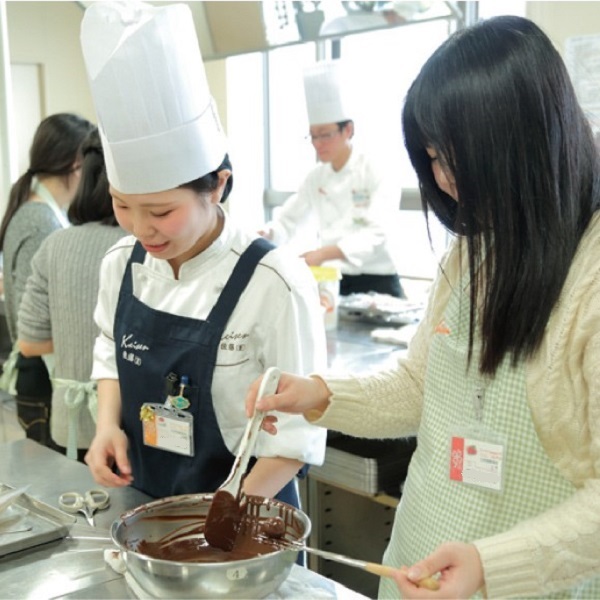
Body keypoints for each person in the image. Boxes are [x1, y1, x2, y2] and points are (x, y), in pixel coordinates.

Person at [246, 15, 600, 599]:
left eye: (459, 159)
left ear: (529, 140)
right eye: (434, 158)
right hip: (416, 564)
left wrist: (491, 565)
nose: (446, 182)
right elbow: (420, 386)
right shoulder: (473, 248)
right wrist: (321, 396)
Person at [80, 1, 326, 508]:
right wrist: (106, 425)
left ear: (217, 186)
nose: (140, 227)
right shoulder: (121, 264)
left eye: (161, 211)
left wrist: (224, 515)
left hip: (249, 508)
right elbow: (109, 347)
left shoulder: (274, 281)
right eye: (122, 206)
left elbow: (296, 438)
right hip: (145, 497)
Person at [17, 128, 126, 462]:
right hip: (129, 426)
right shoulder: (143, 248)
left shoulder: (56, 244)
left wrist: (73, 340)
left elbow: (29, 343)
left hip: (70, 423)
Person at [260, 60, 404, 298]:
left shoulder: (375, 169)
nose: (318, 144)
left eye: (325, 135)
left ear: (348, 130)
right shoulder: (316, 177)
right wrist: (267, 234)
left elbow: (377, 233)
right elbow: (288, 220)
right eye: (313, 136)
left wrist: (323, 254)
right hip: (333, 281)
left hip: (378, 281)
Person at [0, 112, 93, 448]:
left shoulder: (33, 210)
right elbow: (34, 322)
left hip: (37, 370)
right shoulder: (40, 221)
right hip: (40, 373)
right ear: (75, 164)